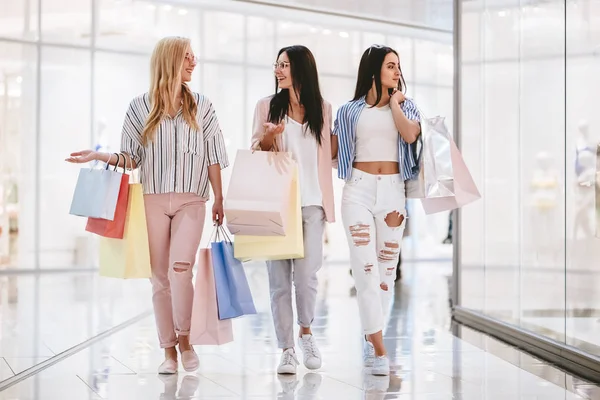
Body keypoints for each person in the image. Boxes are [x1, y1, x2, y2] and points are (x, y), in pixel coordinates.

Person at [65, 36, 229, 375]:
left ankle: (185, 339)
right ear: (170, 61)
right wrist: (100, 155)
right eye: (187, 57)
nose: (193, 62)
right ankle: (168, 350)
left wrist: (220, 197)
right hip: (152, 199)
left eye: (194, 56)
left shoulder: (203, 106)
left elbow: (214, 156)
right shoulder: (139, 107)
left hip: (192, 199)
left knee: (181, 270)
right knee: (159, 278)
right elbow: (131, 158)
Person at [332, 44, 421, 376]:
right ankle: (381, 351)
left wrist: (396, 101)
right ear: (373, 70)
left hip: (393, 194)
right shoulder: (349, 110)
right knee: (365, 271)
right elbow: (334, 150)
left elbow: (410, 135)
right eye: (390, 66)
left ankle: (373, 339)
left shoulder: (407, 107)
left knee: (386, 276)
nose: (397, 71)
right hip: (358, 190)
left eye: (398, 66)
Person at [251, 45, 335, 375]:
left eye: (284, 65)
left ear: (301, 68)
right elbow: (257, 151)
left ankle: (306, 333)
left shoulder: (323, 109)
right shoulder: (267, 106)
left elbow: (329, 154)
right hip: (277, 203)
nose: (278, 70)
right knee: (279, 283)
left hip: (313, 202)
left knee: (307, 276)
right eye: (277, 65)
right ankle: (286, 349)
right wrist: (271, 137)